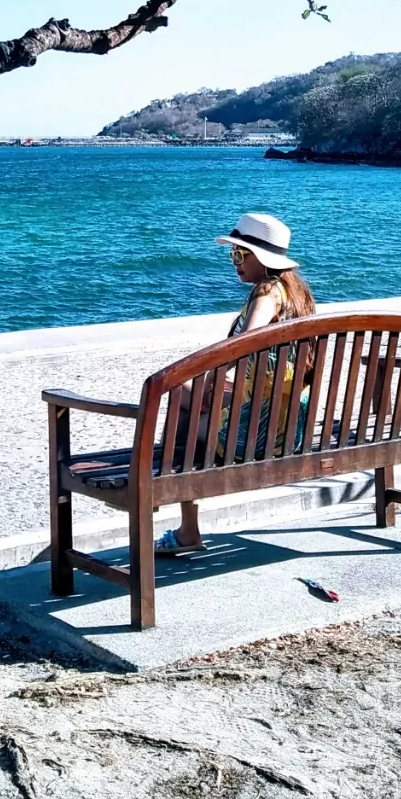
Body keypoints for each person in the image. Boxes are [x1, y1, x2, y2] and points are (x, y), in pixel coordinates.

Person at [155, 213, 316, 556]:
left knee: (180, 410)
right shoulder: (298, 295)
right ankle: (178, 507)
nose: (235, 262)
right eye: (233, 254)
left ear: (263, 259)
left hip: (257, 434)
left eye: (241, 255)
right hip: (290, 425)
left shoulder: (268, 291)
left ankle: (176, 512)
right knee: (183, 392)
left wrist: (213, 380)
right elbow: (276, 365)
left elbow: (248, 340)